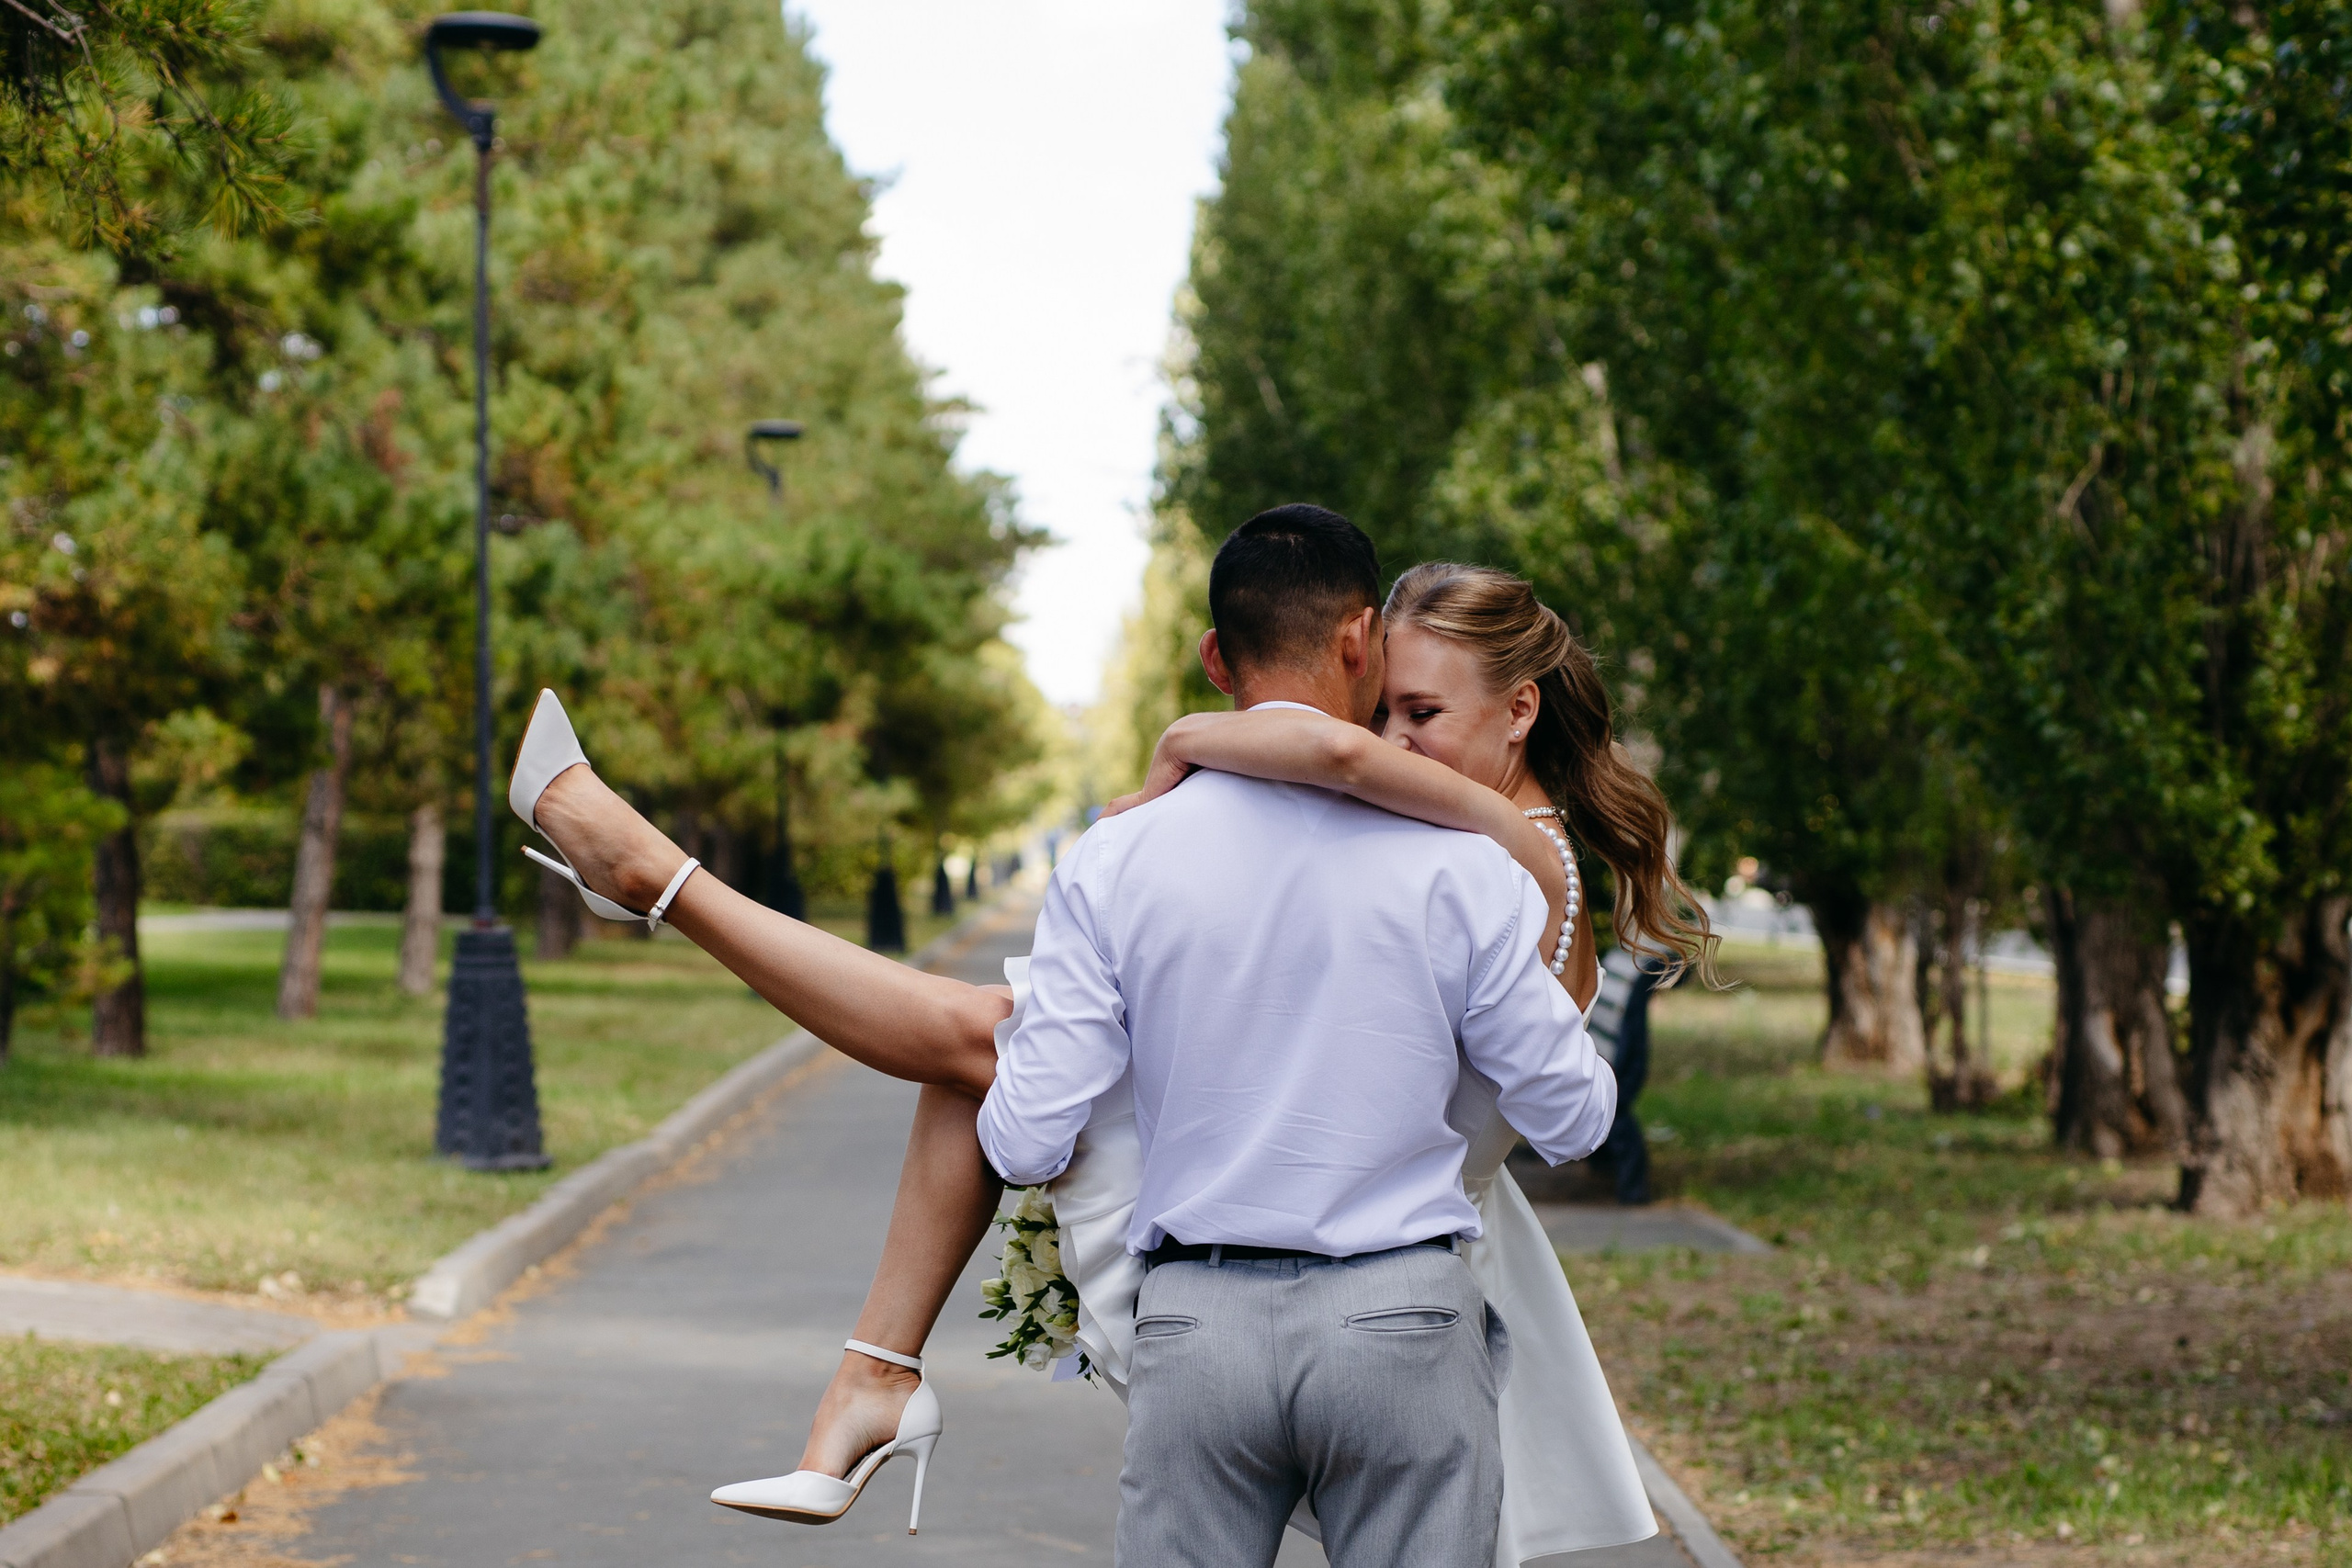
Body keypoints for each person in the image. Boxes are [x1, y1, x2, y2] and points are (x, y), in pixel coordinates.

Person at [508, 507, 1713, 1559]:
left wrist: (1188, 740)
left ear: (1519, 710)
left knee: (994, 1044)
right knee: (993, 1039)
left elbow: (1334, 751)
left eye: (1423, 714)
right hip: (1371, 1257)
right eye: (1388, 707)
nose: (1394, 743)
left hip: (1345, 1252)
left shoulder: (1509, 854)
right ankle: (873, 1368)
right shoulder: (1471, 842)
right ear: (1356, 646)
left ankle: (664, 888)